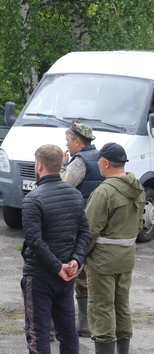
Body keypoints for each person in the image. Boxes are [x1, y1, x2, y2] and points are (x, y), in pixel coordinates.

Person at [10, 145, 91, 354]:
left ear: (39, 166)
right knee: (67, 328)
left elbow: (34, 240)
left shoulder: (34, 199)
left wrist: (58, 266)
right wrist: (74, 262)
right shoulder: (75, 195)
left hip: (41, 275)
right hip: (66, 275)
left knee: (38, 330)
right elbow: (84, 234)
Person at [79, 143, 145, 354]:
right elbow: (140, 224)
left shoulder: (104, 191)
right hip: (126, 256)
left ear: (105, 163)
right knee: (121, 304)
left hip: (103, 259)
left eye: (99, 160)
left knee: (101, 305)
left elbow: (90, 231)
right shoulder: (137, 187)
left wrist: (78, 257)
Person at [60, 120, 103, 337]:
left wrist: (62, 166)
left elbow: (63, 187)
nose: (66, 144)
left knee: (75, 271)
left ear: (77, 140)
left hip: (80, 224)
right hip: (100, 224)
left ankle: (81, 324)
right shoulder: (100, 158)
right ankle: (86, 324)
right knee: (89, 274)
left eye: (68, 140)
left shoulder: (79, 161)